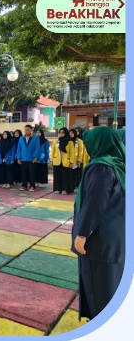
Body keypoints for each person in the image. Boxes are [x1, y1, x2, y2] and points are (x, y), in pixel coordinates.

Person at [72, 127, 125, 321]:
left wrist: (83, 233)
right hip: (115, 238)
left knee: (99, 288)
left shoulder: (100, 167)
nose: (87, 148)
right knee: (112, 284)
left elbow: (95, 203)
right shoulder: (119, 164)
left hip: (98, 241)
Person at [51, 128, 75, 195]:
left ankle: (65, 189)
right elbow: (53, 151)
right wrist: (52, 160)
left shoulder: (69, 142)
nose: (61, 134)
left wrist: (71, 162)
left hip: (66, 161)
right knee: (57, 175)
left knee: (65, 176)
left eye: (63, 133)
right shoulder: (56, 141)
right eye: (60, 132)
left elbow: (72, 153)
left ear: (66, 133)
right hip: (57, 161)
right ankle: (57, 189)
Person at [16, 125, 40, 192]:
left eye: (28, 129)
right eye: (25, 129)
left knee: (32, 173)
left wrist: (36, 157)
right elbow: (19, 149)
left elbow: (37, 148)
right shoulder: (21, 138)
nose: (26, 131)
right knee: (24, 173)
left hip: (32, 158)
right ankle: (24, 185)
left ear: (31, 130)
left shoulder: (35, 138)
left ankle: (32, 186)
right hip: (23, 158)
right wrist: (18, 157)